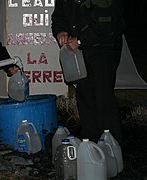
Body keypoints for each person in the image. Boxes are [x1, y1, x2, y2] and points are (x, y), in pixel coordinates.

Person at [51, 0, 126, 144]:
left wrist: (80, 39)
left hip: (105, 45)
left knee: (103, 94)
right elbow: (59, 15)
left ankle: (112, 144)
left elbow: (106, 22)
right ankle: (90, 142)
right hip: (82, 49)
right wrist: (61, 31)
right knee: (84, 93)